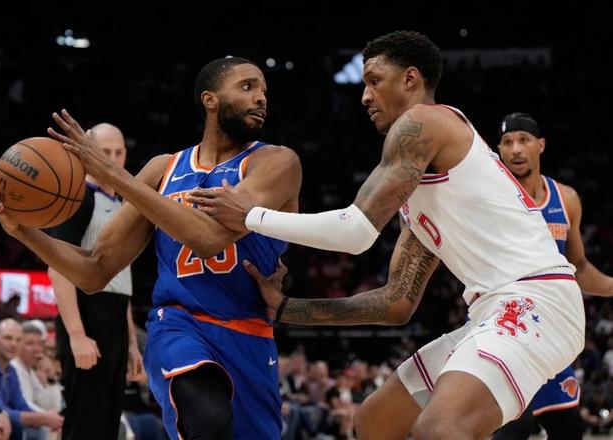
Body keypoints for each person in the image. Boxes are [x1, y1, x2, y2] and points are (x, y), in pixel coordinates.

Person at [187, 31, 585, 440]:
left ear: (410, 78)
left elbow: (355, 232)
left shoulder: (425, 121)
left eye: (374, 81)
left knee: (440, 430)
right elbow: (396, 302)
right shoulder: (427, 195)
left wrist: (251, 216)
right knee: (375, 422)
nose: (364, 96)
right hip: (492, 311)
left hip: (535, 299)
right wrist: (288, 308)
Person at [0, 56, 301, 439]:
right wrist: (23, 231)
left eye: (264, 90)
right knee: (209, 423)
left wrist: (114, 175)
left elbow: (209, 238)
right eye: (247, 87)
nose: (261, 97)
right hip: (180, 327)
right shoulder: (162, 170)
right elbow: (95, 270)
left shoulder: (277, 162)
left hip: (250, 334)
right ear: (210, 99)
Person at [492, 112, 613, 439]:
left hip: (551, 336)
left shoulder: (566, 199)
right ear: (499, 150)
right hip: (508, 331)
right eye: (507, 142)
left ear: (541, 145)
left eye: (524, 140)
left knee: (568, 430)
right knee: (513, 428)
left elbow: (580, 267)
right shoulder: (490, 198)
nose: (516, 149)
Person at [45, 122, 144, 440]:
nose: (112, 159)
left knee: (107, 423)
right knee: (84, 422)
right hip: (87, 314)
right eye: (104, 152)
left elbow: (120, 281)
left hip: (115, 314)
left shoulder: (120, 203)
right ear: (86, 153)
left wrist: (132, 345)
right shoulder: (77, 197)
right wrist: (77, 336)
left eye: (118, 152)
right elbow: (58, 268)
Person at [0, 319, 64, 439]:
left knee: (35, 429)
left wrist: (48, 419)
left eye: (18, 340)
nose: (13, 344)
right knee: (28, 430)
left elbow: (21, 404)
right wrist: (44, 418)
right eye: (8, 338)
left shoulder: (10, 369)